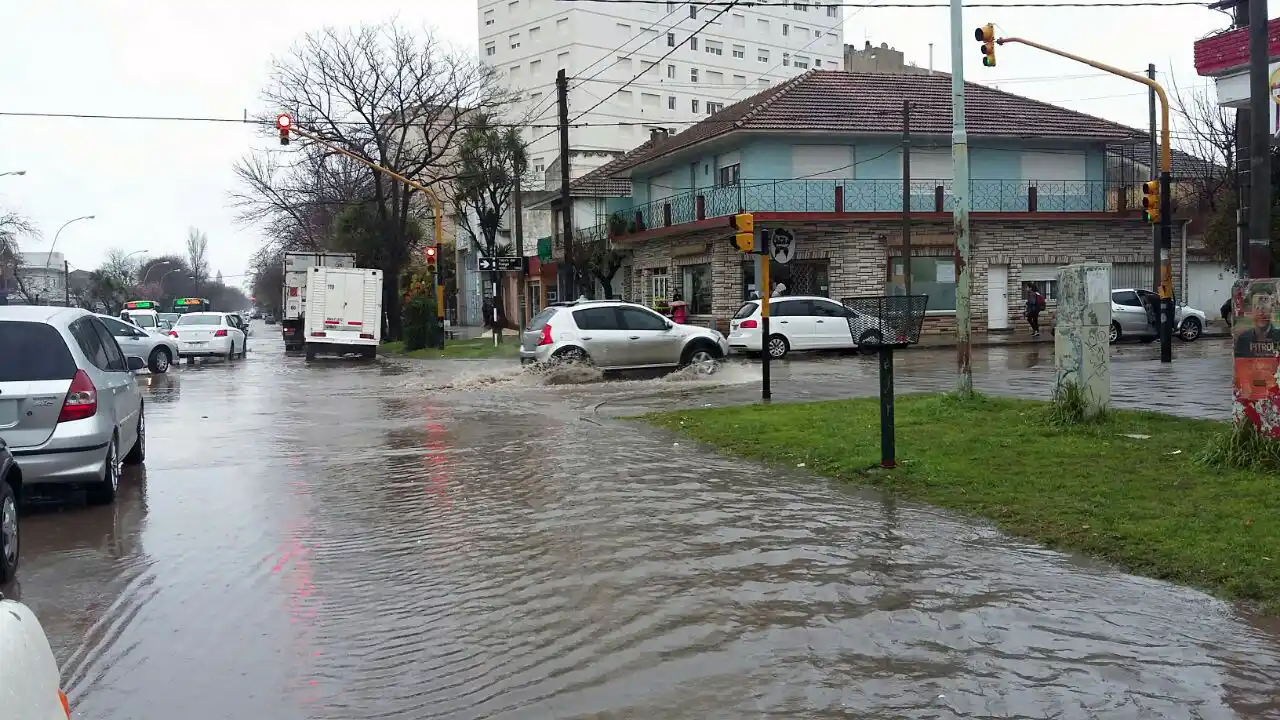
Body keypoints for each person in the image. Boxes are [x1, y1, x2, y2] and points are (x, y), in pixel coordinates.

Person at [1233, 283, 1280, 358]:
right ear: (1251, 310)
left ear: (1272, 309)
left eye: (1264, 308)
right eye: (1257, 307)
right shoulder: (1243, 339)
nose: (1261, 313)